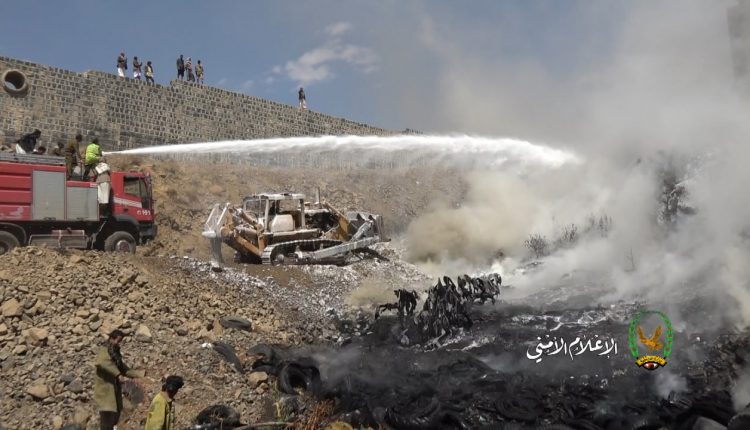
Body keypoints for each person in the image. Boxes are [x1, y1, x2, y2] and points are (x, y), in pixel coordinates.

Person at [93, 330, 142, 430]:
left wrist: (136, 375)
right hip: (105, 391)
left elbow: (121, 367)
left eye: (120, 341)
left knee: (116, 414)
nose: (118, 343)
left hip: (114, 389)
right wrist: (118, 374)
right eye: (117, 340)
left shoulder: (115, 352)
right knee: (106, 417)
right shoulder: (104, 350)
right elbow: (102, 363)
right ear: (111, 338)